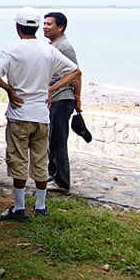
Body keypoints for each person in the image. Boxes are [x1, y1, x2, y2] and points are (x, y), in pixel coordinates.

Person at [0, 7, 81, 220]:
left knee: (18, 159)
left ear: (17, 27)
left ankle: (19, 208)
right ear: (38, 27)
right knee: (40, 160)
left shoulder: (12, 50)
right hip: (42, 115)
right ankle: (40, 206)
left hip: (19, 114)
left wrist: (10, 90)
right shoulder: (48, 50)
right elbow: (75, 71)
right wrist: (52, 89)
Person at [42, 11, 82, 193]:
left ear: (60, 27)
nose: (45, 27)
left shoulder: (64, 47)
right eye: (44, 24)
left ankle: (62, 182)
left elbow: (76, 74)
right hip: (54, 98)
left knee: (58, 141)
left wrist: (77, 99)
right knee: (52, 139)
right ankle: (53, 175)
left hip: (62, 98)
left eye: (49, 24)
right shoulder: (53, 45)